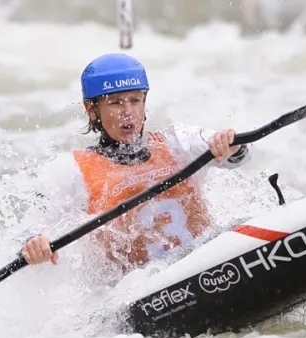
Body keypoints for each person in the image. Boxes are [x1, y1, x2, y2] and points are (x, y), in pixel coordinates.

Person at [20, 53, 251, 272]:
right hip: (134, 287)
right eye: (116, 103)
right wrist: (33, 244)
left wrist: (232, 146)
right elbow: (28, 231)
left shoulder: (177, 141)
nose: (128, 112)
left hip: (205, 259)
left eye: (135, 100)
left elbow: (238, 158)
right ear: (91, 110)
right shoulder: (72, 170)